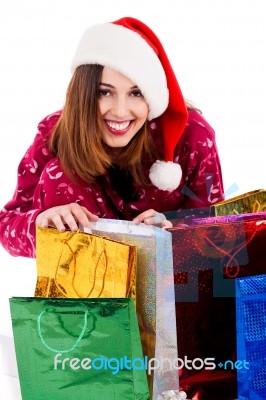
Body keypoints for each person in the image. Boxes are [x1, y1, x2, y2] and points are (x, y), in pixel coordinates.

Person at [0, 17, 224, 258]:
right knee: (61, 173)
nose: (119, 111)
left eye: (136, 93)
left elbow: (218, 230)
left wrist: (175, 234)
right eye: (104, 92)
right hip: (85, 282)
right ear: (83, 94)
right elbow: (8, 224)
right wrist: (42, 221)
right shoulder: (56, 133)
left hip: (165, 282)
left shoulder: (193, 136)